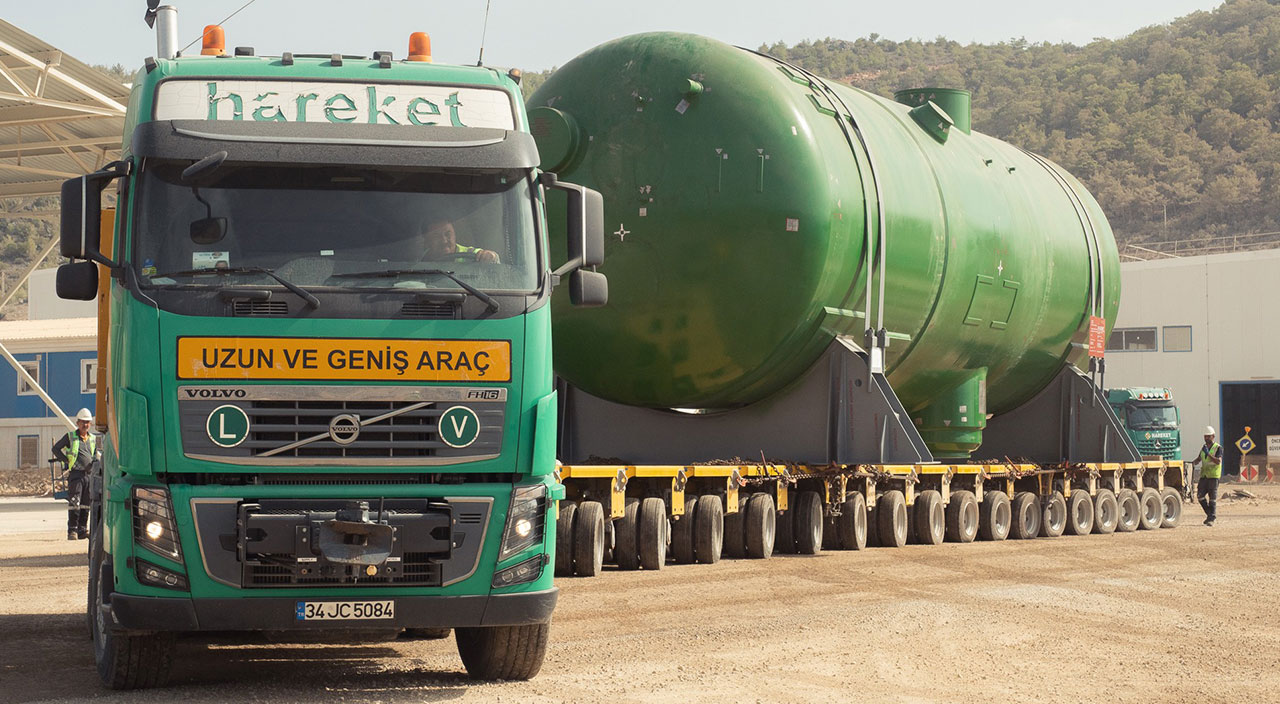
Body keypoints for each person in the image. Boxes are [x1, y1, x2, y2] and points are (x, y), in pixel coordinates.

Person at [52, 408, 99, 540]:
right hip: (76, 475)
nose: (86, 425)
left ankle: (82, 531)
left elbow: (94, 454)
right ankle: (72, 531)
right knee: (74, 503)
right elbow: (55, 448)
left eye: (88, 422)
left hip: (88, 475)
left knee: (85, 504)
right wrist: (65, 460)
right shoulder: (70, 437)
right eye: (83, 422)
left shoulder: (93, 438)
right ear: (78, 423)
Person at [421, 221, 500, 263]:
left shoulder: (472, 253)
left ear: (455, 235)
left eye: (448, 234)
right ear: (427, 240)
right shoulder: (421, 260)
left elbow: (492, 259)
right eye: (436, 236)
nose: (444, 241)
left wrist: (491, 256)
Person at [1190, 426, 1223, 527]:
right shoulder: (1204, 448)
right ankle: (1210, 515)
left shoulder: (1218, 448)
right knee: (1200, 496)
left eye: (1208, 436)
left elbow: (1218, 461)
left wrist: (1208, 454)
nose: (1206, 438)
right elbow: (1199, 459)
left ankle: (1211, 518)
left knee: (1212, 498)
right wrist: (1190, 464)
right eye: (1205, 436)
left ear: (1213, 436)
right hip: (1204, 476)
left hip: (1213, 476)